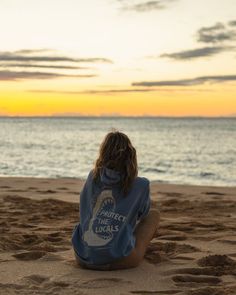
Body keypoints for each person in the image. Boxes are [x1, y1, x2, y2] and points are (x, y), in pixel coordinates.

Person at [71, 129, 160, 271]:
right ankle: (131, 249)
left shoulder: (92, 177)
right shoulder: (140, 185)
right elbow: (143, 214)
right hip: (119, 260)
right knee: (153, 215)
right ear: (131, 156)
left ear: (102, 154)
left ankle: (105, 247)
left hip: (84, 257)